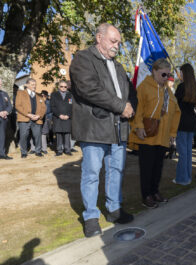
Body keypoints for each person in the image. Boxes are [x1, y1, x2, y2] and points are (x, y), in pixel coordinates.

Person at [69, 23, 137, 237]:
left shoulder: (118, 66)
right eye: (113, 40)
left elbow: (130, 91)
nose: (117, 46)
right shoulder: (83, 59)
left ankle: (114, 209)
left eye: (118, 42)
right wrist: (120, 106)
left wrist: (131, 106)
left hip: (118, 128)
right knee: (91, 173)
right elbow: (89, 88)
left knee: (116, 170)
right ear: (99, 37)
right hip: (95, 127)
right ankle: (90, 216)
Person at [132, 58, 181, 208]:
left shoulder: (168, 91)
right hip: (148, 135)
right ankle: (146, 195)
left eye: (168, 75)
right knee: (147, 167)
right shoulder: (144, 87)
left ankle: (154, 192)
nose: (166, 78)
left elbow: (176, 112)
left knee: (158, 167)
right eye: (163, 74)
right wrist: (139, 126)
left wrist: (173, 133)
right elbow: (138, 109)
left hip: (163, 136)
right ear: (154, 71)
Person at [174, 63, 196, 185]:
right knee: (188, 152)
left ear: (185, 73)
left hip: (182, 121)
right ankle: (187, 176)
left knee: (183, 152)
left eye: (181, 72)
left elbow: (174, 103)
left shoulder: (181, 87)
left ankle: (182, 178)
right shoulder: (194, 87)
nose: (180, 74)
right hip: (191, 121)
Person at [15, 78, 46, 158]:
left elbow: (44, 108)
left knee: (38, 135)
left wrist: (39, 115)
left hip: (37, 119)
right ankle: (24, 152)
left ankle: (38, 151)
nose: (34, 86)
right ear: (27, 85)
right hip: (24, 118)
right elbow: (18, 106)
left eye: (35, 84)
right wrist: (28, 115)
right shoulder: (20, 93)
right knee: (23, 136)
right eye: (32, 84)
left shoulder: (39, 95)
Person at [51, 80, 73, 156]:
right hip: (58, 118)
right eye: (61, 86)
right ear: (58, 87)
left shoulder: (71, 95)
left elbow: (73, 107)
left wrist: (68, 115)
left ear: (67, 87)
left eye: (65, 86)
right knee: (59, 134)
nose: (63, 88)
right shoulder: (54, 94)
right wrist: (59, 115)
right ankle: (59, 150)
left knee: (67, 134)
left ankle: (67, 150)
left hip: (68, 118)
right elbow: (52, 107)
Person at [0, 78, 13, 159]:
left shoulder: (4, 93)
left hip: (3, 119)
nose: (0, 85)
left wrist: (6, 112)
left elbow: (10, 106)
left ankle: (2, 154)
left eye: (0, 84)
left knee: (2, 136)